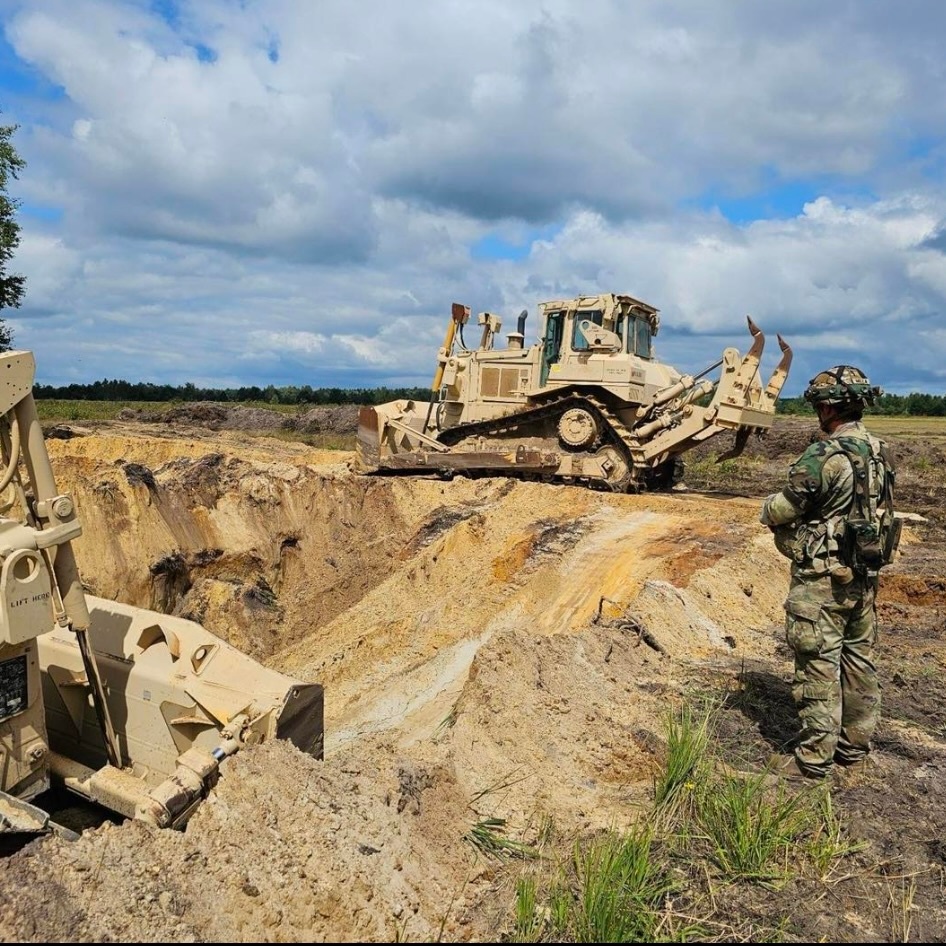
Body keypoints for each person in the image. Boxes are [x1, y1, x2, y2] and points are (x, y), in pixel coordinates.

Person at [760, 365, 897, 780]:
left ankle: (812, 761)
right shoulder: (879, 450)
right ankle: (853, 749)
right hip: (864, 576)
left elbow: (785, 507)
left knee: (818, 665)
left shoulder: (825, 455)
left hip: (822, 583)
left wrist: (767, 509)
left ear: (827, 409)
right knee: (859, 662)